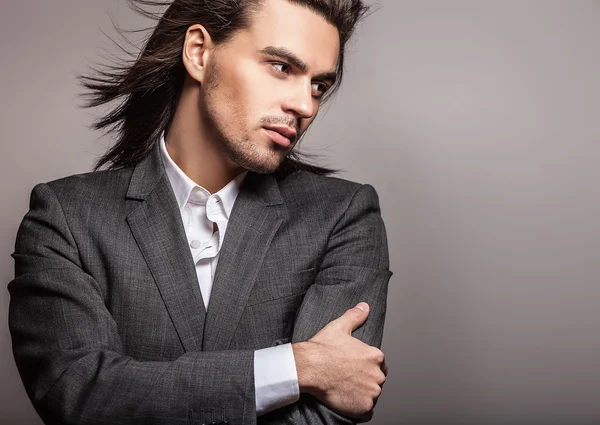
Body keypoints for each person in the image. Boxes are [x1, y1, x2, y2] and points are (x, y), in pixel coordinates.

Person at [8, 0, 392, 423]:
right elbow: (79, 394)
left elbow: (324, 414)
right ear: (198, 52)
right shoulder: (67, 217)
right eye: (281, 67)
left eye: (318, 85)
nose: (305, 106)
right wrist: (296, 367)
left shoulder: (342, 215)